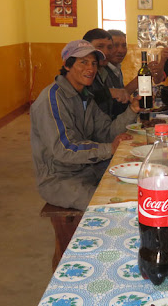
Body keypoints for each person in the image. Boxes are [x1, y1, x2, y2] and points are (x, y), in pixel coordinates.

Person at [30, 40, 140, 210]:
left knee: (137, 178)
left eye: (94, 63)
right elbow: (64, 149)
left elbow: (107, 132)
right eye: (83, 62)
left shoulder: (84, 97)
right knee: (113, 208)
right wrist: (109, 149)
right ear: (67, 65)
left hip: (87, 168)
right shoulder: (52, 99)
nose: (91, 69)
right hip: (60, 179)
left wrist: (132, 110)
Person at [83, 28, 129, 118]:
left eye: (110, 47)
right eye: (100, 47)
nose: (106, 52)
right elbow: (80, 98)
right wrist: (109, 93)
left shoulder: (101, 73)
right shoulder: (80, 74)